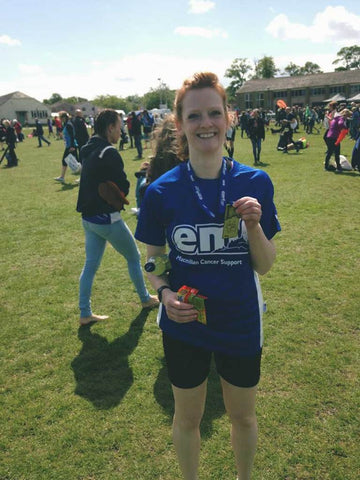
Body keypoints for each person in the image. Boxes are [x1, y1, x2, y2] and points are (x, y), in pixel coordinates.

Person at [135, 72, 281, 480]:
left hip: (239, 319)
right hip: (186, 322)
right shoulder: (160, 191)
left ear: (228, 118)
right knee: (187, 418)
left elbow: (265, 264)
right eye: (195, 115)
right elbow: (154, 259)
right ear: (179, 123)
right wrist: (163, 293)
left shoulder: (255, 182)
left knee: (243, 417)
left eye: (214, 113)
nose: (206, 124)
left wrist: (253, 227)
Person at [76, 109, 158, 325]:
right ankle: (145, 299)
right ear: (110, 127)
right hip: (106, 218)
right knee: (133, 256)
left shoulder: (87, 148)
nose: (121, 130)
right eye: (119, 125)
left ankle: (85, 313)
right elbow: (123, 185)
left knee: (90, 266)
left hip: (88, 219)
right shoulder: (109, 152)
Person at [54, 111, 78, 183]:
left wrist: (72, 146)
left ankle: (84, 178)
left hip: (71, 146)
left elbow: (72, 136)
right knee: (69, 161)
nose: (59, 119)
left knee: (73, 161)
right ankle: (62, 177)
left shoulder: (68, 125)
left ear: (64, 117)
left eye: (60, 118)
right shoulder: (66, 124)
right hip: (69, 145)